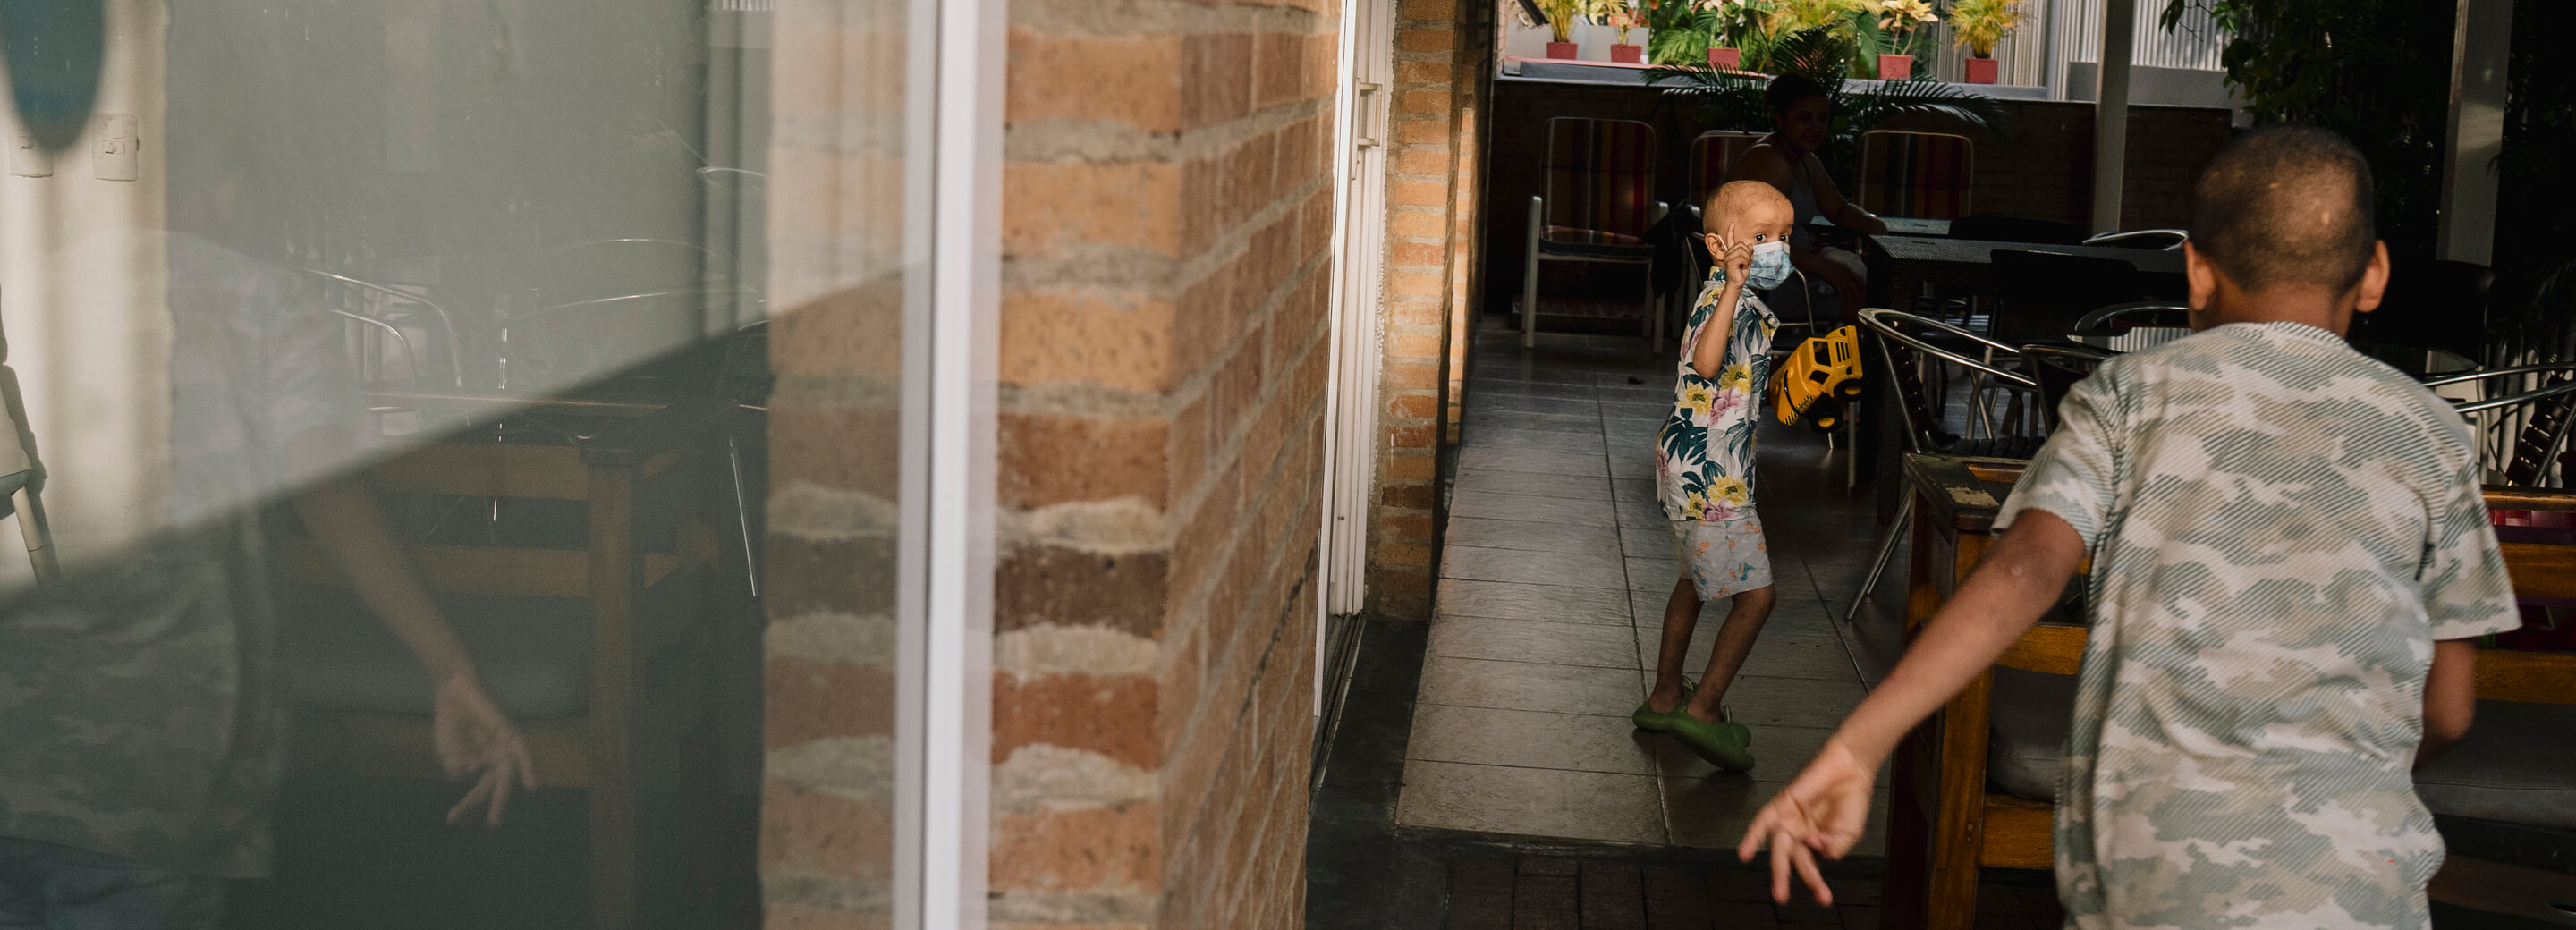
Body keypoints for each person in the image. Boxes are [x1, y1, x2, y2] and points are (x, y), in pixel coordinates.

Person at [1734, 125, 2522, 928]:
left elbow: (2021, 572)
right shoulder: (2433, 436)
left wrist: (1861, 743)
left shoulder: (2130, 399)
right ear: (2375, 274)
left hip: (2154, 888)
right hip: (2366, 891)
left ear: (2197, 272)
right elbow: (2449, 710)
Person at [0, 193, 536, 925]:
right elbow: (325, 487)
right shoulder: (260, 300)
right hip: (155, 772)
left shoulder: (23, 287)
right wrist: (449, 667)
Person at [1633, 181, 1799, 770]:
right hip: (1711, 476)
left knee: (1693, 583)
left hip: (1698, 467)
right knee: (1757, 597)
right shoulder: (1721, 297)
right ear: (1717, 245)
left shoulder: (1743, 303)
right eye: (1760, 238)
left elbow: (1732, 384)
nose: (1776, 248)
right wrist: (1731, 286)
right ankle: (1703, 709)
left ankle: (1663, 696)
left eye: (1784, 236)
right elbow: (1706, 364)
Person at [1724, 74, 1887, 320]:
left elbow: (1839, 210)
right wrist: (1823, 266)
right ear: (1780, 120)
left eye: (1822, 118)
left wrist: (1873, 224)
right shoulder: (1768, 162)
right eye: (1804, 118)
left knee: (1881, 300)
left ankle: (1861, 356)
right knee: (1880, 310)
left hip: (1797, 273)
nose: (1816, 127)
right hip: (1763, 286)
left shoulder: (1805, 161)